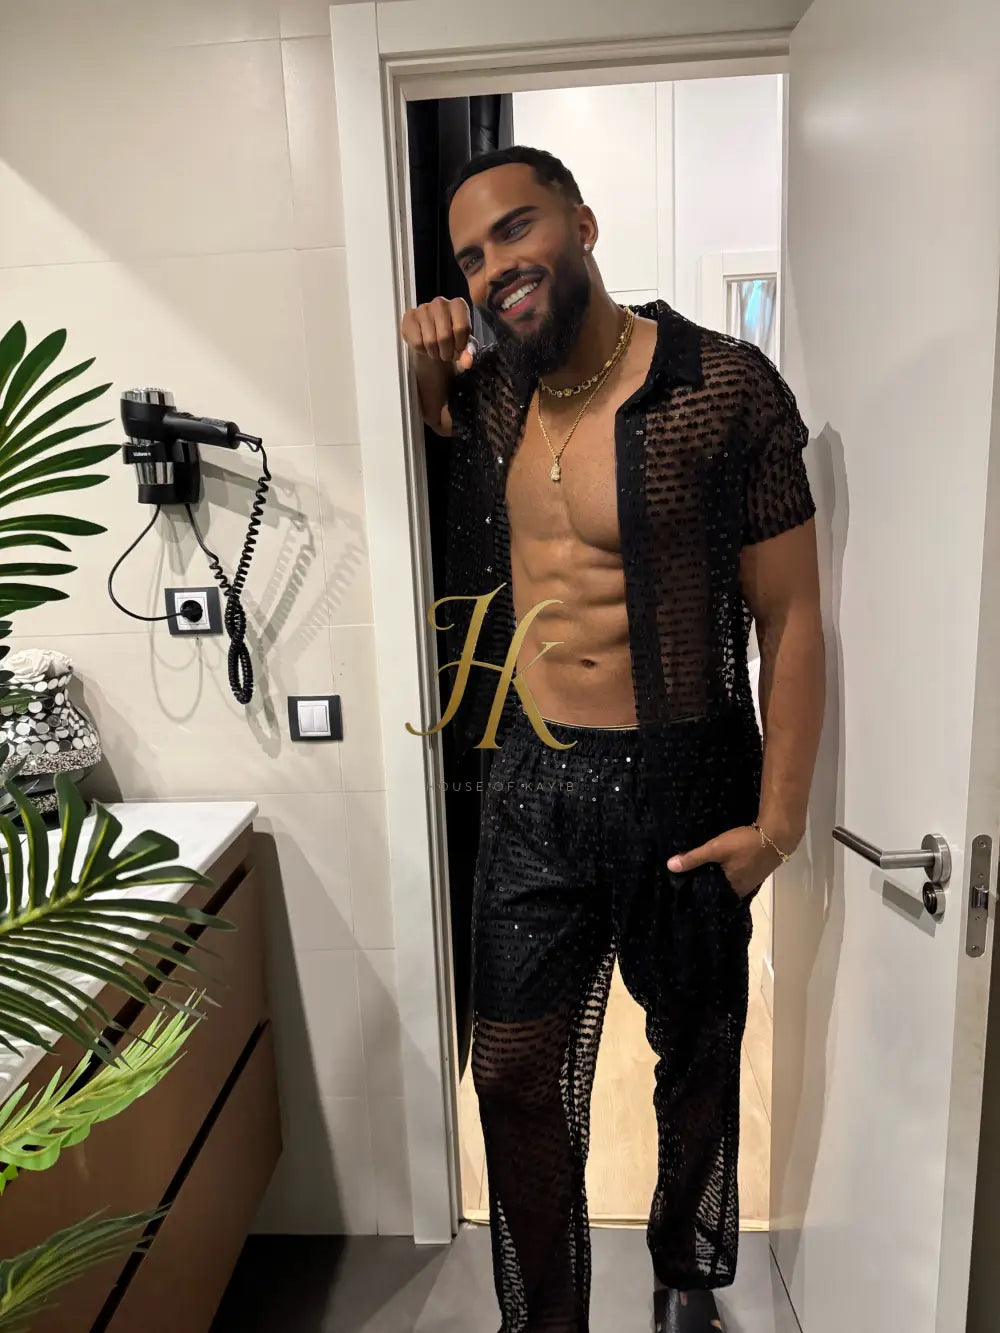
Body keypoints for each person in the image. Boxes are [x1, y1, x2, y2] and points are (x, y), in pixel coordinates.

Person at [400, 145, 825, 1333]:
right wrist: (422, 362)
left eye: (515, 229)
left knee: (694, 1058)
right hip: (533, 781)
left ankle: (685, 1279)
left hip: (684, 777)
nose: (494, 267)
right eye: (470, 256)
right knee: (511, 1070)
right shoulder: (500, 393)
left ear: (581, 224)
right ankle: (547, 1318)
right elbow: (434, 414)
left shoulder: (722, 386)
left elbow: (791, 615)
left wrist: (778, 823)